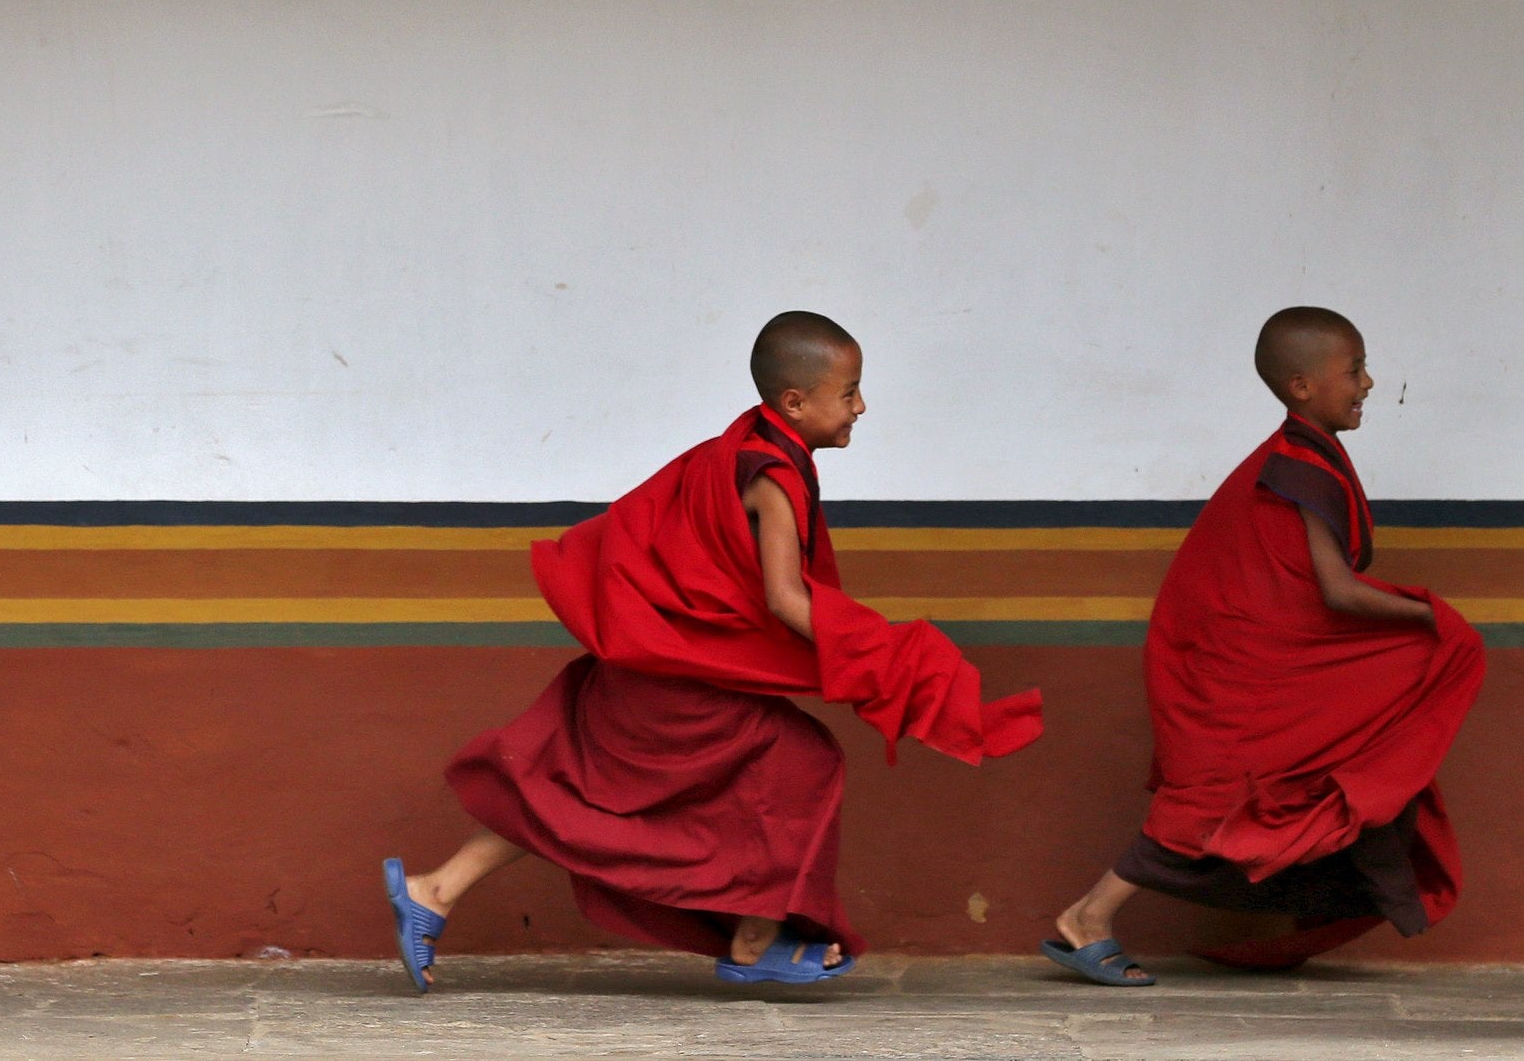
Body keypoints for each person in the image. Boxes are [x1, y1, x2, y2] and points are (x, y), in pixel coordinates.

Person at [385, 311, 1044, 992]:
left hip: (650, 661)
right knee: (804, 763)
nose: (860, 406)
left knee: (578, 793)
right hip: (673, 676)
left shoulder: (736, 447)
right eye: (848, 392)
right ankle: (755, 939)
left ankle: (434, 890)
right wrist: (879, 649)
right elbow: (786, 598)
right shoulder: (773, 474)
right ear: (795, 401)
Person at [1041, 306, 1485, 986]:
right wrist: (1432, 618)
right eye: (1356, 369)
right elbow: (1336, 591)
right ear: (1303, 386)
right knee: (1215, 799)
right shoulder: (1300, 465)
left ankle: (1295, 915)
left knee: (1351, 772)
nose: (1369, 383)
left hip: (1263, 663)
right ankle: (1086, 918)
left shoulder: (1303, 458)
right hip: (1246, 675)